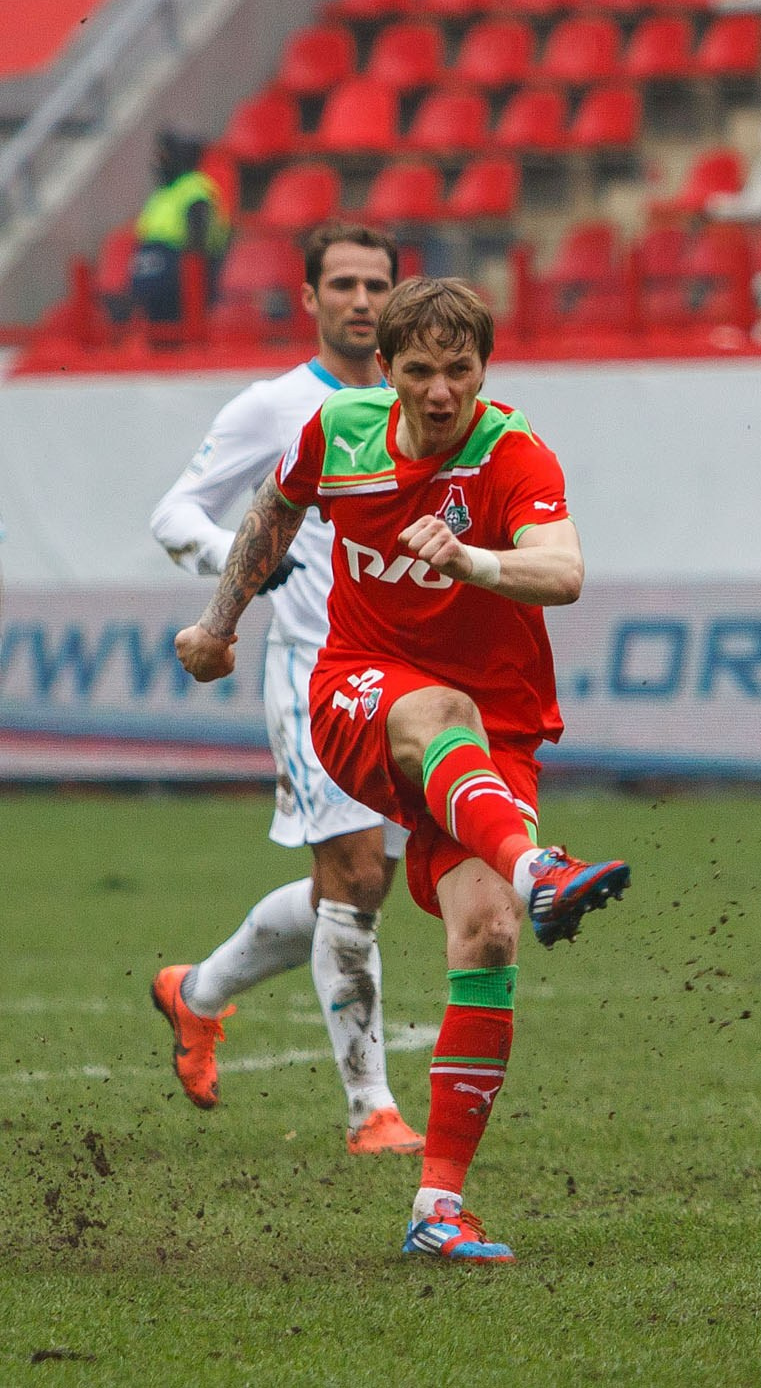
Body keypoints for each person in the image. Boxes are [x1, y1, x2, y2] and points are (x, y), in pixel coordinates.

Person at [174, 276, 633, 1263]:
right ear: (385, 370)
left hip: (489, 738)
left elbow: (565, 569)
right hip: (359, 698)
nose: (439, 390)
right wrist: (218, 627)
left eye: (458, 370)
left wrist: (474, 560)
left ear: (483, 370)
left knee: (490, 934)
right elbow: (272, 511)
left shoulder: (512, 453)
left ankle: (437, 1206)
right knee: (437, 715)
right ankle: (536, 864)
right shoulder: (336, 431)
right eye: (418, 369)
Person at [148, 222, 425, 1156]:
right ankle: (372, 1109)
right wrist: (241, 560)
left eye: (375, 284)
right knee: (352, 877)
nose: (360, 300)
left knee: (358, 884)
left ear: (399, 296)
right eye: (341, 283)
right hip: (311, 676)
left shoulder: (422, 407)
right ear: (308, 299)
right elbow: (174, 513)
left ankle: (197, 993)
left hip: (404, 681)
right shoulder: (275, 408)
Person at [129, 129, 230, 325]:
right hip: (152, 280)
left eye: (164, 155)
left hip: (182, 280)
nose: (159, 161)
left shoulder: (196, 189)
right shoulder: (161, 195)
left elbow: (198, 240)